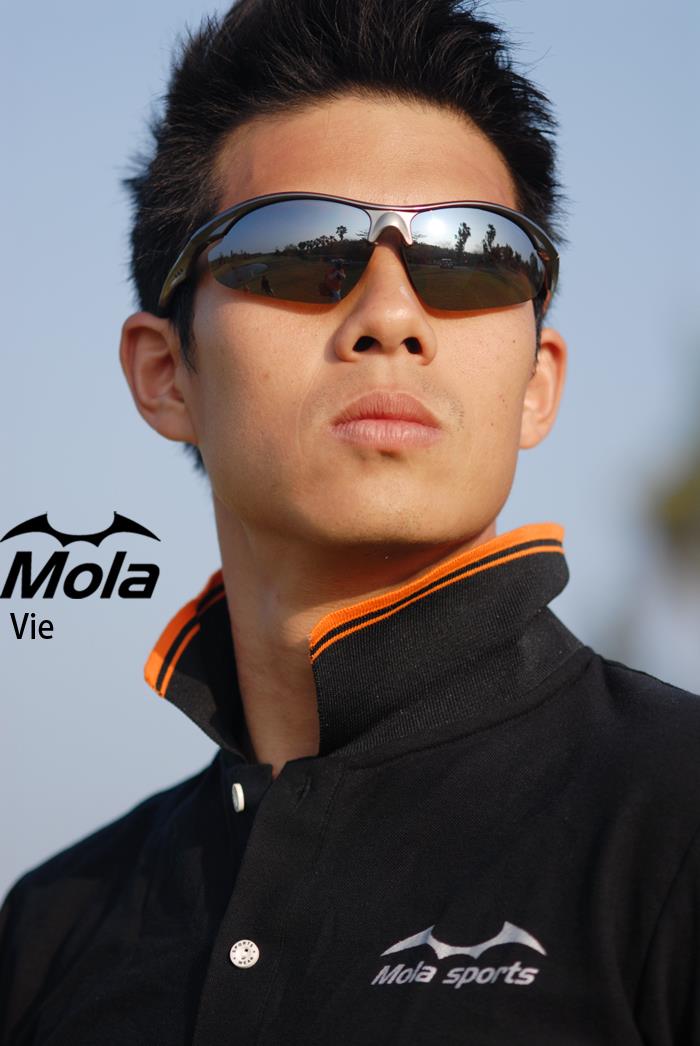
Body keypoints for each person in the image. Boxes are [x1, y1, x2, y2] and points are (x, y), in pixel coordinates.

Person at [1, 0, 699, 1042]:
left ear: (536, 385)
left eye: (470, 255)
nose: (392, 316)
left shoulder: (674, 822)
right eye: (300, 248)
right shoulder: (49, 931)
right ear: (165, 373)